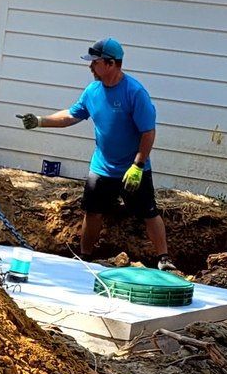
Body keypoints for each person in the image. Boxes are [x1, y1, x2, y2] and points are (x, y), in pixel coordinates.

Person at [19, 37, 171, 265]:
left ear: (110, 64)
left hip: (133, 168)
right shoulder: (92, 91)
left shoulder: (135, 93)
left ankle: (164, 258)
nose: (90, 66)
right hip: (102, 167)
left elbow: (148, 132)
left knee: (149, 212)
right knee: (92, 212)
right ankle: (85, 257)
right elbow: (71, 116)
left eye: (95, 62)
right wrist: (40, 121)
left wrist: (138, 165)